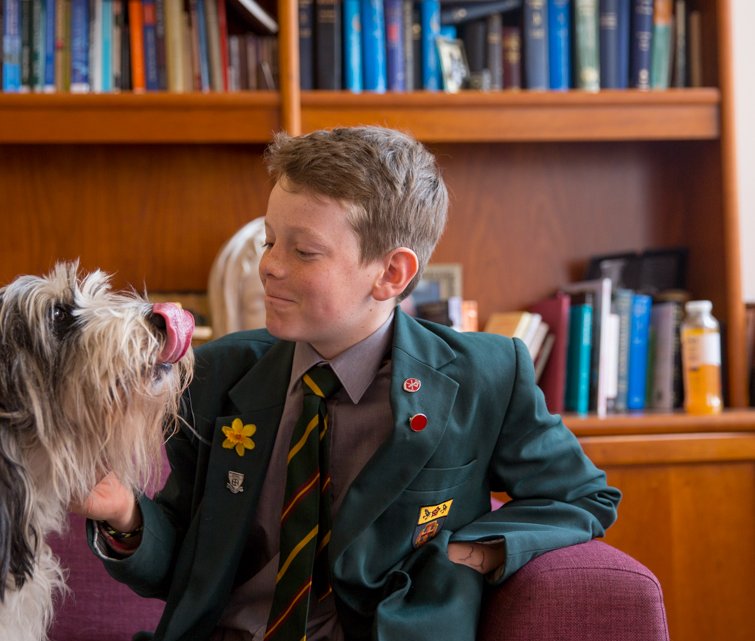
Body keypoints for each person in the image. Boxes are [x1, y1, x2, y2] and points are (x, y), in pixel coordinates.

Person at [71, 126, 621, 641]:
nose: (269, 266)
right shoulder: (218, 373)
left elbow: (585, 496)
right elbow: (183, 566)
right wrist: (126, 513)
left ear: (391, 274)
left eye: (303, 251)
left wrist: (475, 551)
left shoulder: (485, 375)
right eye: (269, 241)